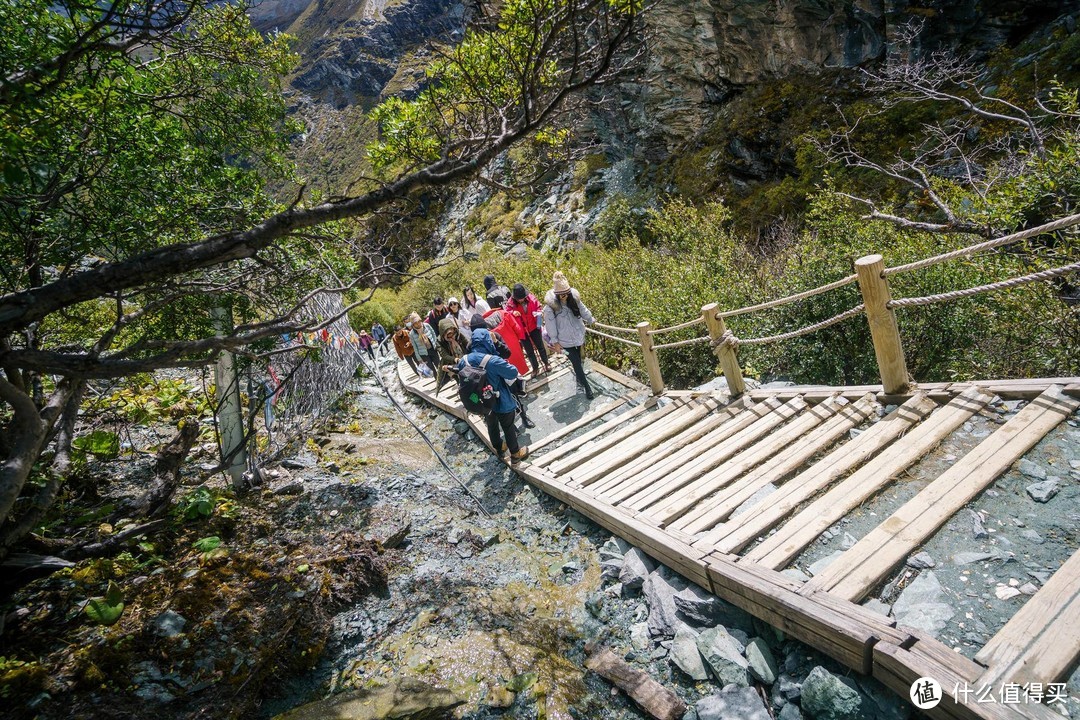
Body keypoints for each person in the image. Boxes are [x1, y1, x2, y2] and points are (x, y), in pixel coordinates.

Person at [456, 326, 529, 464]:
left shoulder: (463, 360)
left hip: (480, 400)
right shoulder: (492, 360)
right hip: (500, 399)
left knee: (491, 424)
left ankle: (499, 447)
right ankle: (515, 453)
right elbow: (512, 372)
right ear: (487, 341)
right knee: (507, 426)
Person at [543, 271, 596, 399]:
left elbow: (583, 310)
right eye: (560, 294)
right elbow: (550, 326)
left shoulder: (574, 299)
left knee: (578, 359)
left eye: (565, 294)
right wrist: (555, 342)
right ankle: (587, 388)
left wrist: (591, 319)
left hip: (578, 337)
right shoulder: (550, 308)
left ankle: (580, 379)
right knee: (576, 362)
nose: (564, 297)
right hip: (564, 342)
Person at [507, 283, 550, 376]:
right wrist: (513, 312)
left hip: (534, 326)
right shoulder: (510, 303)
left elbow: (538, 306)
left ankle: (546, 363)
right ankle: (535, 368)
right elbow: (507, 313)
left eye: (522, 297)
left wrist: (538, 312)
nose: (521, 300)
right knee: (529, 351)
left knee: (540, 346)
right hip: (521, 330)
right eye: (519, 298)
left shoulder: (531, 298)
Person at [483, 293, 529, 376]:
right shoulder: (502, 313)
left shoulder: (484, 325)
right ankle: (524, 376)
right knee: (519, 363)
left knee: (507, 368)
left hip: (500, 350)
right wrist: (520, 337)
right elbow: (516, 327)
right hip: (513, 343)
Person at [436, 316, 466, 391]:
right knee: (457, 375)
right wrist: (455, 359)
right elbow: (444, 355)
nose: (450, 333)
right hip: (452, 362)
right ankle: (461, 387)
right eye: (447, 332)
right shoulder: (439, 341)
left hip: (464, 357)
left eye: (451, 330)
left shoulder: (458, 334)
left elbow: (467, 344)